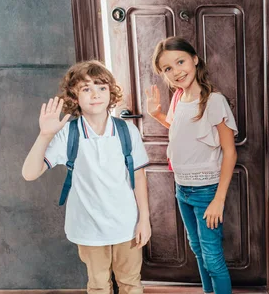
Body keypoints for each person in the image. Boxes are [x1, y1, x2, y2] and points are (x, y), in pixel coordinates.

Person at [22, 60, 151, 294]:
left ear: (111, 92)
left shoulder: (126, 131)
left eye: (101, 87)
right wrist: (44, 135)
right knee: (99, 285)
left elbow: (139, 177)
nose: (95, 94)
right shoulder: (68, 133)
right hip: (88, 226)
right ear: (74, 96)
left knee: (131, 283)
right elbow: (29, 174)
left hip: (126, 224)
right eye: (86, 88)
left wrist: (145, 219)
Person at [146, 37, 238, 294]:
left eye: (180, 62)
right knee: (197, 250)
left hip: (207, 191)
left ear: (195, 59)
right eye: (167, 68)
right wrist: (157, 115)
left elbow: (229, 152)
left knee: (212, 256)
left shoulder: (213, 101)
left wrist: (219, 199)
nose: (176, 71)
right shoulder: (178, 98)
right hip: (182, 189)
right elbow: (181, 129)